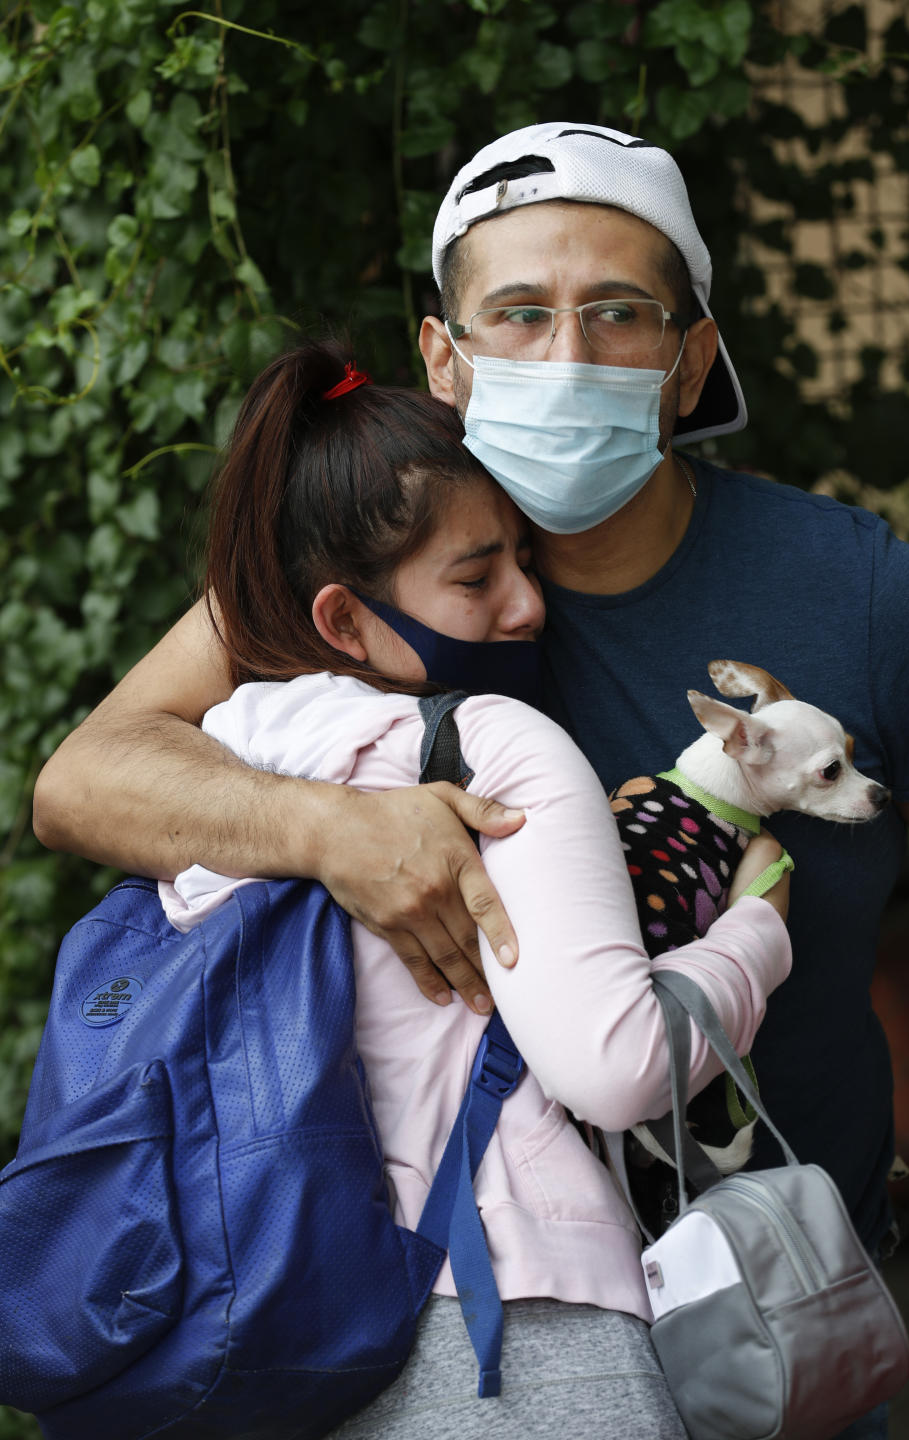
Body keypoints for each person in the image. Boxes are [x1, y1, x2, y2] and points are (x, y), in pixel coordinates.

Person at [33, 118, 909, 1439]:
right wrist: (333, 832)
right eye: (516, 313)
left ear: (693, 358)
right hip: (445, 1332)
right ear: (443, 357)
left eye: (621, 314)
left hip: (779, 1315)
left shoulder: (867, 601)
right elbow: (90, 779)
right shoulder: (392, 548)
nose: (566, 357)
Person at [164, 334, 791, 1436]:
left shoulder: (215, 757)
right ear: (344, 619)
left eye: (523, 560)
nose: (527, 607)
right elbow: (616, 1065)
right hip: (511, 1312)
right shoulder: (500, 742)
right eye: (476, 577)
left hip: (272, 1306)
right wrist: (756, 926)